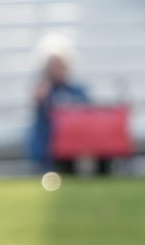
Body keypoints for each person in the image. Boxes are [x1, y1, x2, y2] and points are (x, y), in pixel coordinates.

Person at [27, 48, 110, 176]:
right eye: (54, 66)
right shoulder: (45, 89)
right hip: (51, 142)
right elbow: (40, 110)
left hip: (75, 142)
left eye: (61, 66)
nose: (58, 70)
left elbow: (89, 114)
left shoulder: (77, 90)